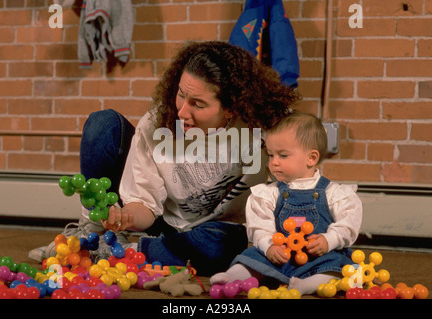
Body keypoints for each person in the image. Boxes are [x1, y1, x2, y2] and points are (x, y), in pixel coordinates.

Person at [29, 41, 300, 276]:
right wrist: (124, 216)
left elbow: (300, 183)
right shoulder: (159, 123)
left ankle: (119, 252)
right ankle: (93, 235)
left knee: (222, 244)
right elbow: (145, 206)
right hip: (162, 224)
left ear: (230, 108)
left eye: (198, 104)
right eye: (181, 94)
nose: (181, 110)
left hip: (216, 231)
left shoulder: (262, 131)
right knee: (103, 125)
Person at [210, 111, 362, 293]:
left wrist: (329, 240)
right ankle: (232, 276)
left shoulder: (334, 193)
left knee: (342, 267)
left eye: (282, 156)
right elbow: (260, 227)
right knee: (251, 257)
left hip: (319, 256)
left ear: (311, 158)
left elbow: (348, 224)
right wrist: (269, 247)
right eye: (271, 155)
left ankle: (306, 286)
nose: (274, 162)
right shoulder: (269, 194)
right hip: (280, 255)